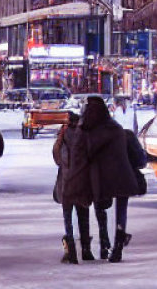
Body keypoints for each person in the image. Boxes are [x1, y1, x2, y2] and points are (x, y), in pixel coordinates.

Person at [81, 96, 140, 263]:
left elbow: (88, 153)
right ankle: (118, 245)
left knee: (100, 209)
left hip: (101, 177)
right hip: (122, 175)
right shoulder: (117, 128)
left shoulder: (90, 131)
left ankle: (104, 244)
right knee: (121, 211)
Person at [52, 111, 93, 264]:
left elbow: (57, 158)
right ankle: (86, 250)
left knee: (68, 219)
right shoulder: (85, 136)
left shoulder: (64, 137)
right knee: (84, 217)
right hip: (82, 182)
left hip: (67, 182)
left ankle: (72, 253)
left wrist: (60, 137)